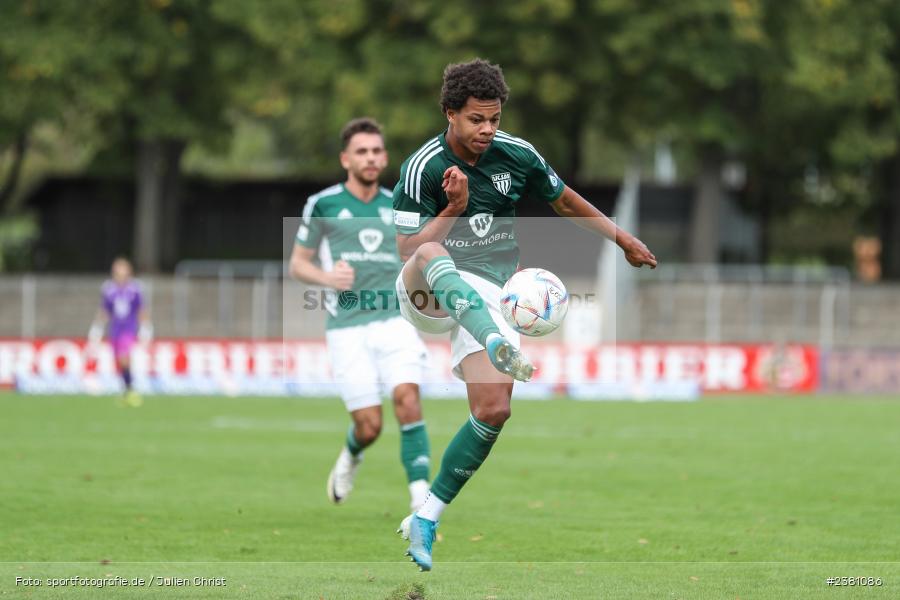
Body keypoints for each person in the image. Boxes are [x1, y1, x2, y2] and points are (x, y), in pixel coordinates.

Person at [392, 58, 657, 571]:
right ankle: (495, 341)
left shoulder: (517, 156)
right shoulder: (423, 166)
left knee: (494, 410)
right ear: (450, 113)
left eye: (494, 118)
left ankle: (427, 515)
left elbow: (563, 202)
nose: (487, 130)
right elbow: (406, 248)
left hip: (490, 293)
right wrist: (451, 209)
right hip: (427, 292)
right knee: (429, 254)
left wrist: (622, 237)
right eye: (476, 120)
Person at [289, 117, 432, 512]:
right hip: (347, 328)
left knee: (407, 396)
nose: (370, 158)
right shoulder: (324, 204)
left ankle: (423, 504)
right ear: (345, 159)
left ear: (384, 157)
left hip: (396, 321)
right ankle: (351, 453)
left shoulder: (400, 207)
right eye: (361, 152)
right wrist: (327, 276)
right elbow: (297, 265)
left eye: (375, 151)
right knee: (370, 426)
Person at [89, 257, 152, 407]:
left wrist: (146, 327)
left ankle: (131, 391)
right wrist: (97, 328)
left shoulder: (135, 288)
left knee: (125, 357)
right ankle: (127, 392)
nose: (120, 274)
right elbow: (105, 311)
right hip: (115, 329)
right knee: (119, 361)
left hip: (129, 329)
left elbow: (141, 309)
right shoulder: (109, 289)